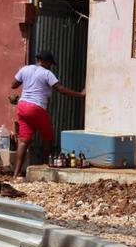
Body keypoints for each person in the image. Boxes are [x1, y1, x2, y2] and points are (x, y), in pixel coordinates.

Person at [11, 51, 85, 179]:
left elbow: (13, 85)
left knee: (24, 140)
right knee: (48, 137)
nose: (51, 66)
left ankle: (16, 174)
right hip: (36, 107)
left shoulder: (25, 69)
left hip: (22, 106)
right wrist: (80, 94)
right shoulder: (47, 73)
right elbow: (60, 89)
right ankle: (45, 166)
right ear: (46, 62)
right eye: (50, 63)